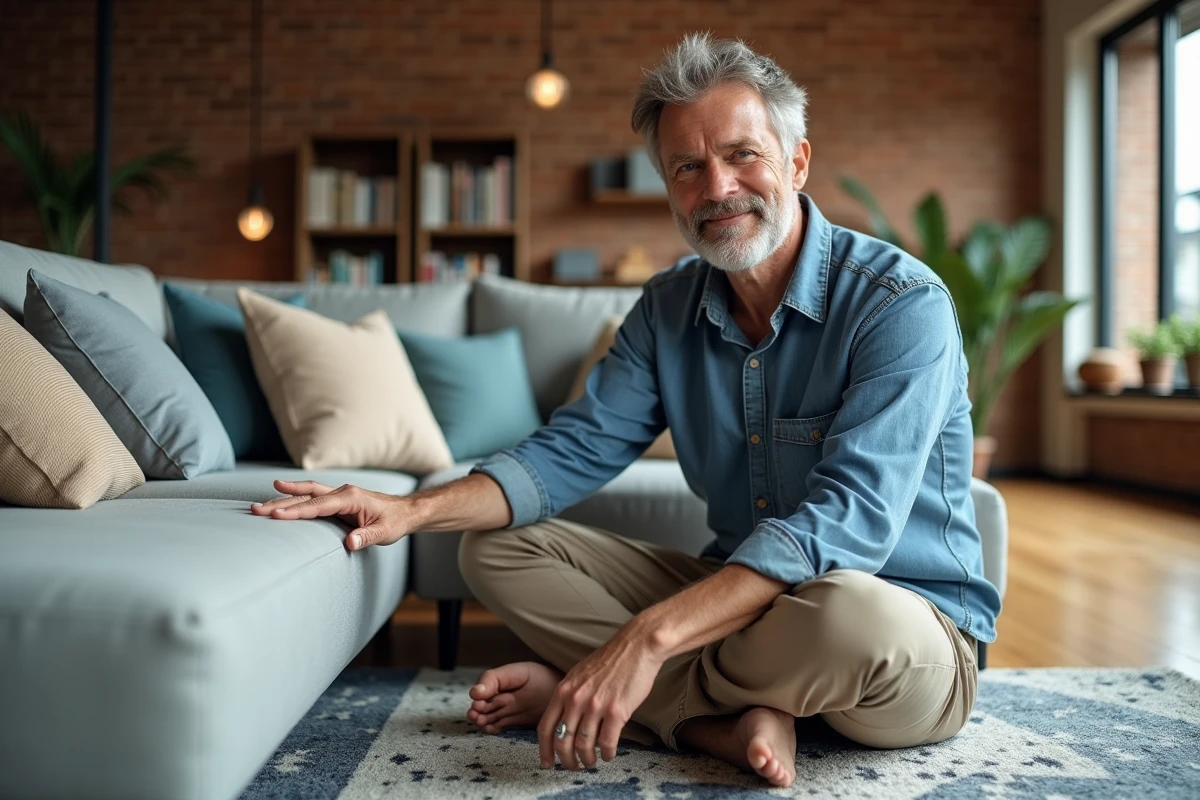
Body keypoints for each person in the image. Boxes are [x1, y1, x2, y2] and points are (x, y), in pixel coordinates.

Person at [250, 32, 1001, 789]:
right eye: (687, 166)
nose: (717, 188)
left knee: (848, 615)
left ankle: (626, 692)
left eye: (743, 154)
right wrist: (409, 511)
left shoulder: (899, 304)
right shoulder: (668, 306)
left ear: (797, 162)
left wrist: (645, 639)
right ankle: (720, 722)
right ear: (668, 187)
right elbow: (568, 452)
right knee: (494, 548)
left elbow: (848, 527)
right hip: (751, 616)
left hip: (903, 628)